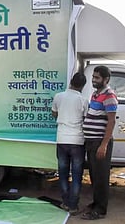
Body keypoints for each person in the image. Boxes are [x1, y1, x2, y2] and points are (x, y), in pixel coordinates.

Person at [81, 65, 117, 220]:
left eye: (97, 78)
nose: (93, 80)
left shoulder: (109, 96)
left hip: (99, 143)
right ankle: (96, 203)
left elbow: (111, 122)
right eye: (93, 77)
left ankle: (100, 210)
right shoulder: (96, 94)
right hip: (91, 141)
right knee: (95, 176)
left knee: (101, 177)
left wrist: (104, 145)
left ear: (106, 79)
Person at [51, 72, 87, 216]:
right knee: (77, 175)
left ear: (71, 82)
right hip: (77, 141)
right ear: (82, 86)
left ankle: (65, 202)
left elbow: (54, 113)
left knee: (63, 173)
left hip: (62, 139)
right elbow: (85, 119)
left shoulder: (58, 96)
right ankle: (73, 206)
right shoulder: (83, 100)